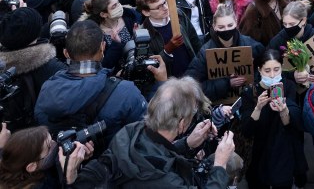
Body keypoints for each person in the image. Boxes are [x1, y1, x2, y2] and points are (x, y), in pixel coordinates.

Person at [72, 77, 236, 188]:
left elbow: (154, 154)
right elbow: (156, 163)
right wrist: (220, 164)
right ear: (182, 124)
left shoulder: (131, 131)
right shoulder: (167, 181)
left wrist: (186, 144)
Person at [34, 21, 153, 140]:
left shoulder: (47, 89)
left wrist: (113, 82)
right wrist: (160, 83)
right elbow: (149, 132)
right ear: (103, 47)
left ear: (66, 53)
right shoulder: (126, 92)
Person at [237, 49, 306, 189]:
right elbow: (247, 130)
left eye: (276, 69)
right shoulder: (250, 92)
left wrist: (284, 110)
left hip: (282, 150)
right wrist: (258, 108)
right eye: (267, 70)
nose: (273, 75)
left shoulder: (288, 86)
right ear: (259, 70)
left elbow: (292, 124)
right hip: (259, 152)